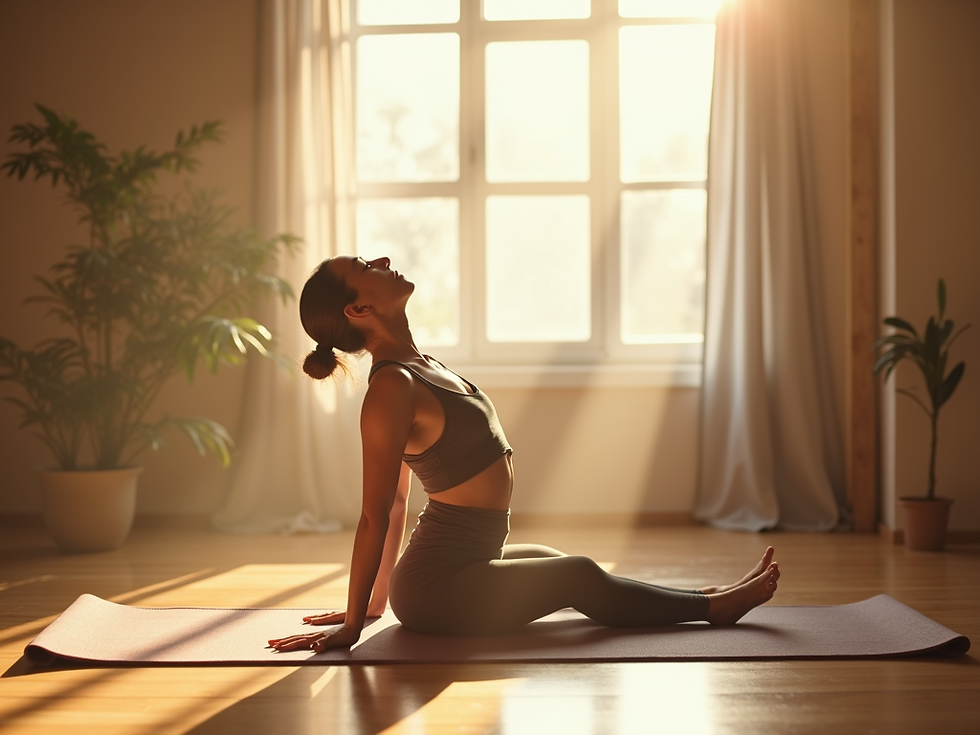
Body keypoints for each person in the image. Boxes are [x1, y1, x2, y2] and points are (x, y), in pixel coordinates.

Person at [268, 256, 780, 653]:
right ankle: (713, 608)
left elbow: (402, 505)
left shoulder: (419, 365)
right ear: (358, 310)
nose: (379, 260)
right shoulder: (391, 390)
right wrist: (356, 621)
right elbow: (379, 511)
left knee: (564, 565)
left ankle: (700, 596)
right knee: (576, 575)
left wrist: (377, 606)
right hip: (437, 588)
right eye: (364, 268)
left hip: (469, 558)